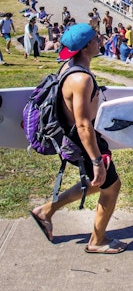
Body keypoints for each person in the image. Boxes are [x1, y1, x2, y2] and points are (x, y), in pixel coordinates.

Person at [30, 24, 126, 254]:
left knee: (99, 184)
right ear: (85, 47)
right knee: (111, 188)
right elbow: (83, 124)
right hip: (83, 142)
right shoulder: (81, 79)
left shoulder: (69, 66)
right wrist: (95, 160)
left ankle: (45, 212)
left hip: (80, 138)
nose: (100, 40)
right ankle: (97, 241)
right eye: (96, 38)